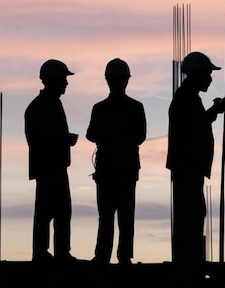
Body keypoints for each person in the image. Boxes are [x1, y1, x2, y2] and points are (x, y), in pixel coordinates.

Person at [166, 51, 225, 266]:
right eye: (208, 74)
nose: (210, 79)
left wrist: (215, 109)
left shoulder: (188, 97)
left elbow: (198, 123)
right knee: (192, 213)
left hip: (189, 167)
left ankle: (189, 258)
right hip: (188, 168)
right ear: (197, 74)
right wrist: (216, 109)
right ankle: (189, 260)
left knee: (193, 212)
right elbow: (196, 127)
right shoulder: (186, 98)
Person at [86, 58, 147, 266]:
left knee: (106, 216)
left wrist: (108, 136)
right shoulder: (136, 107)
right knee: (125, 216)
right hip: (126, 169)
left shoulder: (100, 108)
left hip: (107, 170)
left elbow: (91, 134)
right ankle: (124, 256)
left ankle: (103, 256)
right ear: (126, 81)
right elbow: (140, 136)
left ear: (107, 80)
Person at [24, 59, 79, 264]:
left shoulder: (48, 104)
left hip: (52, 166)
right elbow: (40, 138)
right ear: (53, 80)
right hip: (49, 168)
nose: (66, 83)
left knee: (56, 212)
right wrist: (64, 139)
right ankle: (49, 253)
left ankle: (52, 252)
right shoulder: (43, 106)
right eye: (63, 79)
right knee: (53, 212)